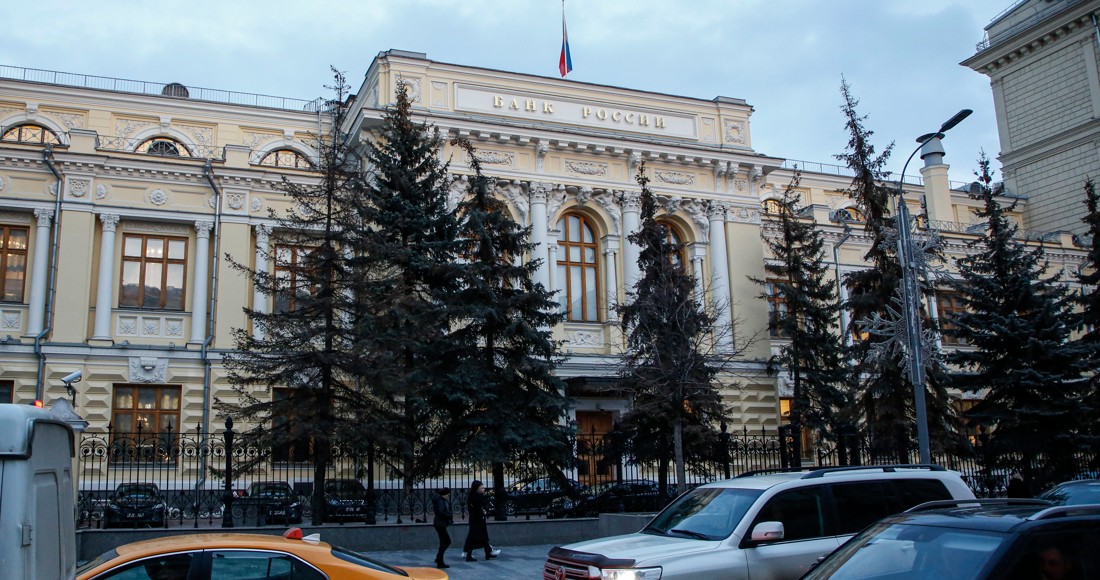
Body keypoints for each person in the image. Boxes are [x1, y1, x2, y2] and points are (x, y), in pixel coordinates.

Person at [462, 480, 501, 562]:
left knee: (482, 537)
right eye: (481, 488)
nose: (483, 489)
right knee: (475, 537)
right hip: (476, 520)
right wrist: (484, 511)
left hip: (478, 519)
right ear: (477, 488)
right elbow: (479, 508)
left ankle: (488, 553)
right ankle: (470, 555)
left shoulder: (475, 496)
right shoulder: (475, 497)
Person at [431, 487, 454, 569]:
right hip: (440, 524)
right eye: (448, 495)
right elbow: (441, 512)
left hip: (439, 523)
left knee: (444, 542)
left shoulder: (439, 500)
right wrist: (449, 515)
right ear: (444, 495)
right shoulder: (441, 501)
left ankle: (439, 559)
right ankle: (439, 560)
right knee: (446, 541)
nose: (448, 497)